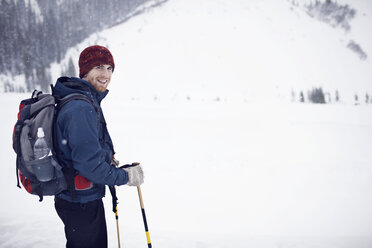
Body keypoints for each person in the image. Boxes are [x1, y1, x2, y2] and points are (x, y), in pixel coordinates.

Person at [52, 45, 144, 248]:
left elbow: (85, 153)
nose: (106, 74)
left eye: (110, 68)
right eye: (99, 67)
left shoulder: (83, 101)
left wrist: (107, 160)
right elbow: (89, 165)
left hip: (77, 197)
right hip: (80, 201)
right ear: (85, 71)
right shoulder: (81, 107)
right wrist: (126, 177)